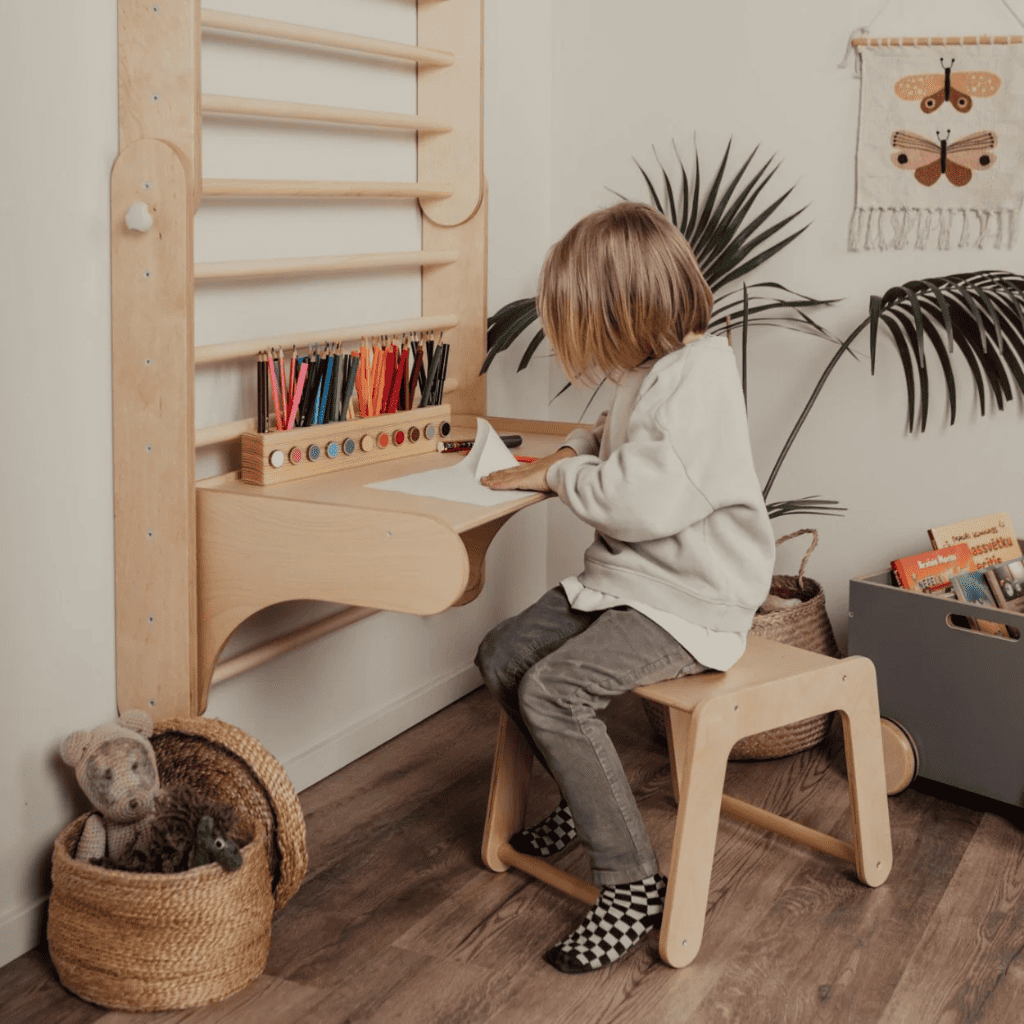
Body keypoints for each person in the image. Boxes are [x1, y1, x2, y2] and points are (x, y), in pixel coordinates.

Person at [475, 201, 775, 974]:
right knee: (505, 655)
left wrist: (560, 473)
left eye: (585, 322)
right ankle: (588, 807)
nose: (583, 345)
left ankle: (632, 883)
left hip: (691, 599)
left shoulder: (700, 377)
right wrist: (574, 446)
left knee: (554, 691)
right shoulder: (655, 372)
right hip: (632, 582)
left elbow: (642, 500)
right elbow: (624, 445)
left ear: (621, 310)